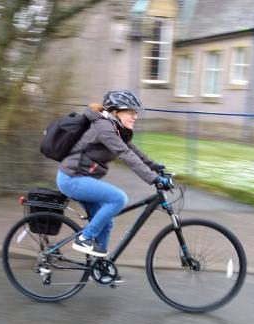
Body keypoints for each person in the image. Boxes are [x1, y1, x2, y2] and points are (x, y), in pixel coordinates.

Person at [56, 89, 171, 259]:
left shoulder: (114, 127)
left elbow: (132, 150)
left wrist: (155, 166)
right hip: (72, 179)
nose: (135, 116)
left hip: (82, 179)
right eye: (131, 112)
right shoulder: (104, 127)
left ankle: (100, 267)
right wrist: (153, 179)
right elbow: (125, 154)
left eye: (136, 112)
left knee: (107, 222)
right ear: (116, 112)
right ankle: (84, 239)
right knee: (118, 199)